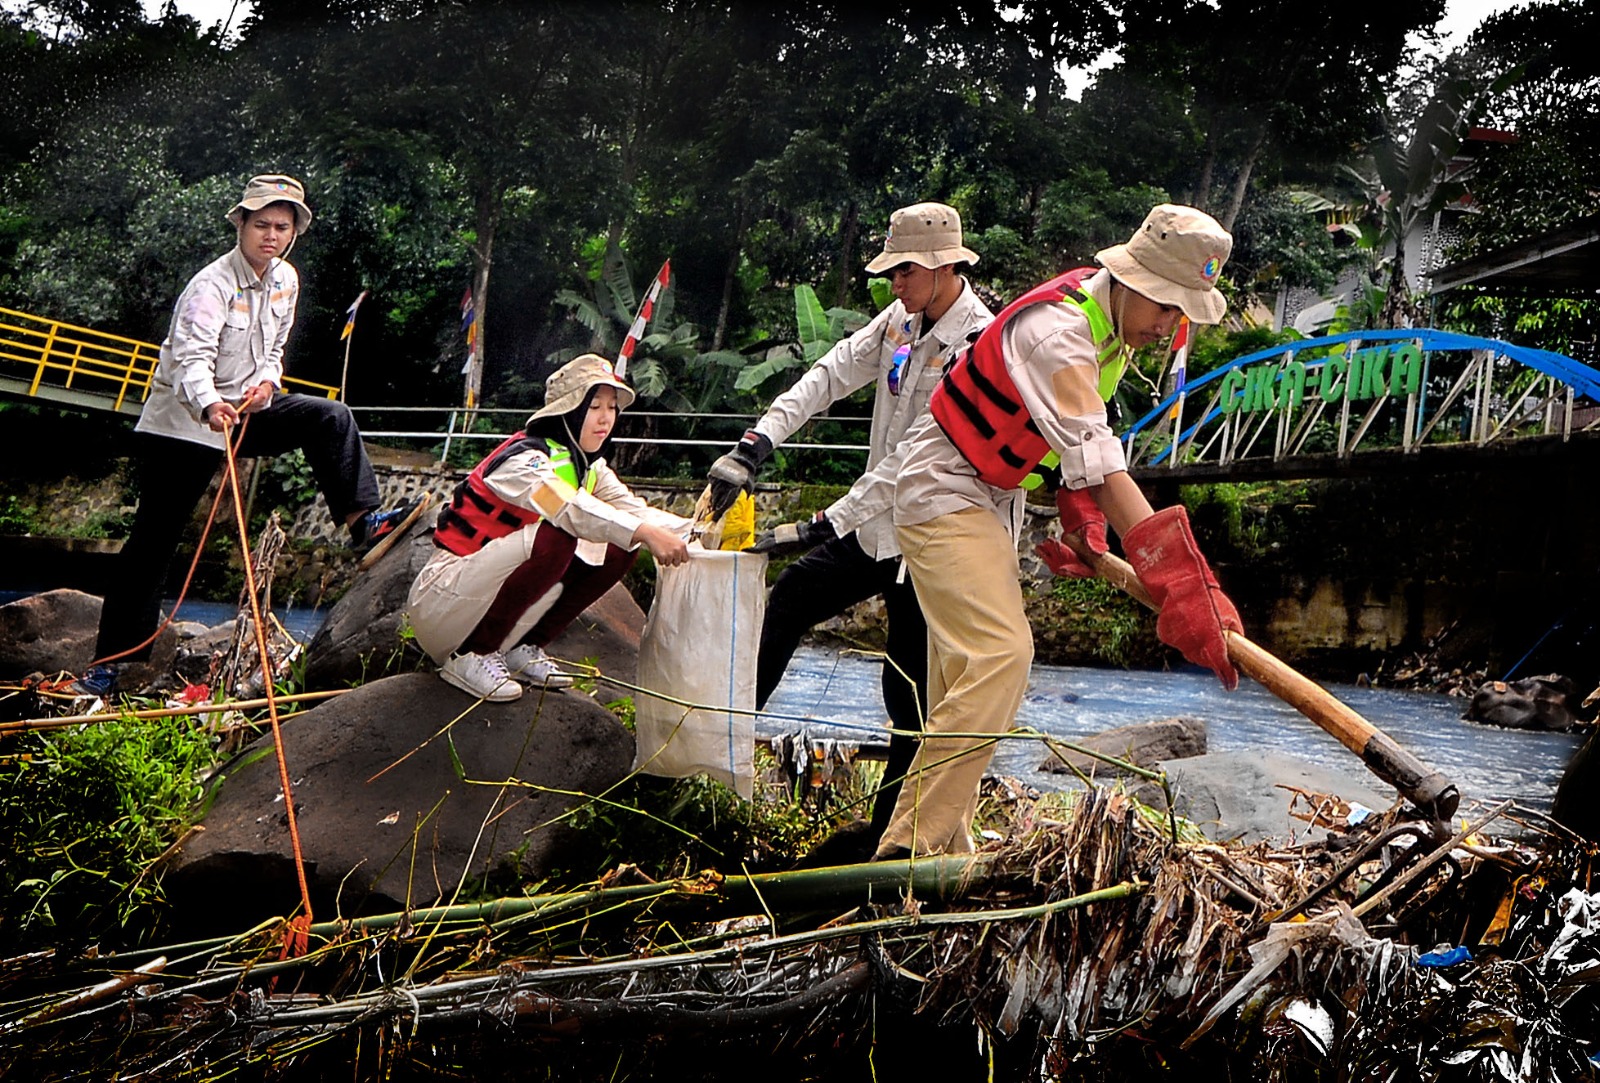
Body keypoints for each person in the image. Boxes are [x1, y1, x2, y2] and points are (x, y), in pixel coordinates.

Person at [876, 204, 1243, 859]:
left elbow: (1073, 448)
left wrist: (1084, 522)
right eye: (1165, 304)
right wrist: (1185, 585)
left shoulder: (1111, 331)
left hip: (987, 495)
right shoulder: (1058, 331)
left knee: (961, 682)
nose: (1169, 323)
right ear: (1128, 279)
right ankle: (905, 855)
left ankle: (948, 851)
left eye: (1181, 312)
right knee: (1000, 657)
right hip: (943, 487)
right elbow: (1102, 464)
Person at [705, 202, 993, 844]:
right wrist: (754, 444)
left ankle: (890, 838)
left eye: (906, 271)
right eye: (891, 272)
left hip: (932, 538)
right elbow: (829, 375)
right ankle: (719, 747)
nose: (895, 283)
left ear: (945, 267)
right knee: (789, 600)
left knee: (907, 689)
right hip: (873, 529)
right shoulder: (899, 321)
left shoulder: (977, 344)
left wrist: (821, 524)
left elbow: (913, 458)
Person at [75, 174, 420, 698]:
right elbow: (189, 360)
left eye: (282, 227)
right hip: (185, 420)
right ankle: (111, 668)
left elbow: (274, 351)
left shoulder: (286, 280)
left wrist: (267, 385)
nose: (271, 236)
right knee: (153, 543)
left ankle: (363, 522)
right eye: (262, 225)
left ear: (294, 232)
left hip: (246, 411)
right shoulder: (210, 286)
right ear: (241, 223)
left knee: (330, 416)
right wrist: (209, 403)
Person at [406, 353, 691, 702]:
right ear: (568, 411)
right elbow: (567, 506)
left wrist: (702, 532)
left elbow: (637, 512)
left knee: (622, 547)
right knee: (557, 536)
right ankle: (472, 654)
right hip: (444, 604)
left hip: (484, 599)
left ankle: (523, 649)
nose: (606, 418)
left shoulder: (589, 467)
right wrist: (645, 532)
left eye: (612, 408)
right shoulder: (522, 461)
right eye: (594, 407)